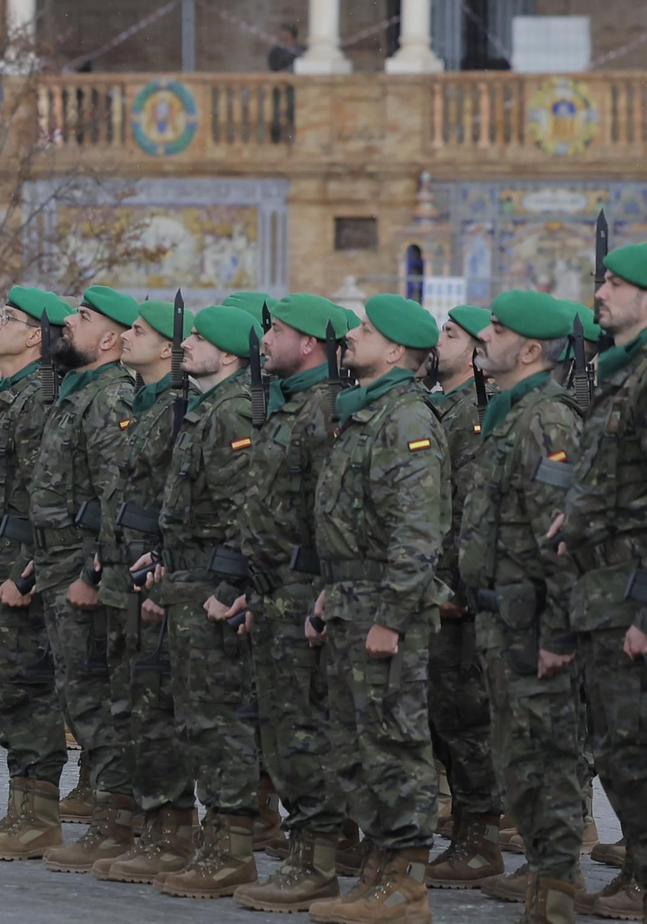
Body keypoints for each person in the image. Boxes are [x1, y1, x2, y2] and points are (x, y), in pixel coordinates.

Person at [307, 294, 448, 923]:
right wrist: (330, 591)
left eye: (364, 330)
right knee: (357, 745)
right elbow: (348, 524)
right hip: (350, 599)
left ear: (395, 350)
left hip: (385, 609)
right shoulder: (367, 413)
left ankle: (407, 882)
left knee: (394, 743)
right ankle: (377, 866)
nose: (351, 337)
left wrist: (392, 616)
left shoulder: (406, 419)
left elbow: (415, 533)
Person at [457, 290, 586, 923]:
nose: (484, 335)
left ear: (531, 349)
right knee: (516, 758)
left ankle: (557, 891)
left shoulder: (546, 421)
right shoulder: (511, 415)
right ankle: (542, 877)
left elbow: (562, 541)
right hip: (502, 621)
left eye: (498, 329)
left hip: (534, 624)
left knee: (546, 758)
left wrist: (558, 635)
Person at [226, 294, 352, 912]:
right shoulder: (286, 407)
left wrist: (324, 592)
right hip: (273, 590)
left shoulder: (323, 409)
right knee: (281, 732)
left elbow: (331, 514)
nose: (265, 338)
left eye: (276, 329)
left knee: (306, 731)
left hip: (304, 590)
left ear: (309, 343)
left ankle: (319, 860)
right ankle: (304, 854)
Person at [132, 304, 261, 898]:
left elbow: (244, 512)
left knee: (218, 720)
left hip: (212, 587)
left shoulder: (232, 410)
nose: (187, 345)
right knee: (195, 717)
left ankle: (231, 847)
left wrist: (230, 587)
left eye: (200, 339)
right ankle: (212, 841)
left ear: (230, 355)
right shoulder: (205, 408)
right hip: (189, 581)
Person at [29, 286, 140, 872]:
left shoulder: (109, 396)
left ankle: (118, 822)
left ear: (111, 340)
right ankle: (110, 816)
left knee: (98, 700)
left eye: (84, 317)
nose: (69, 323)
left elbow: (114, 496)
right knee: (82, 695)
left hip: (80, 570)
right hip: (56, 564)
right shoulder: (77, 392)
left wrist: (92, 572)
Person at [0, 286, 66, 861]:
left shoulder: (36, 399)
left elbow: (44, 496)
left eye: (11, 319)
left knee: (25, 688)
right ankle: (21, 811)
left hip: (21, 561)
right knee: (0, 688)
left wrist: (28, 568)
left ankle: (39, 816)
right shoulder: (4, 395)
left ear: (36, 338)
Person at [556, 241, 647, 919]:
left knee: (633, 740)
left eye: (615, 284)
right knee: (618, 743)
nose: (600, 295)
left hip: (631, 590)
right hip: (601, 588)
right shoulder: (621, 375)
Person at [93, 300, 198, 885]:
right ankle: (146, 824)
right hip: (123, 572)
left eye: (138, 330)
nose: (125, 336)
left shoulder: (179, 410)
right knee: (130, 704)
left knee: (157, 707)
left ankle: (172, 831)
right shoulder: (144, 404)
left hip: (155, 578)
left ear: (167, 349)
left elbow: (176, 504)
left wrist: (165, 566)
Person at [423, 305, 505, 889]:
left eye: (450, 335)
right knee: (442, 715)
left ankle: (479, 838)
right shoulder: (443, 407)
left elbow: (466, 509)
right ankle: (465, 831)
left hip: (459, 596)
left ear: (476, 351)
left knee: (466, 718)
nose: (438, 341)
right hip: (435, 589)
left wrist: (452, 584)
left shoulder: (473, 414)